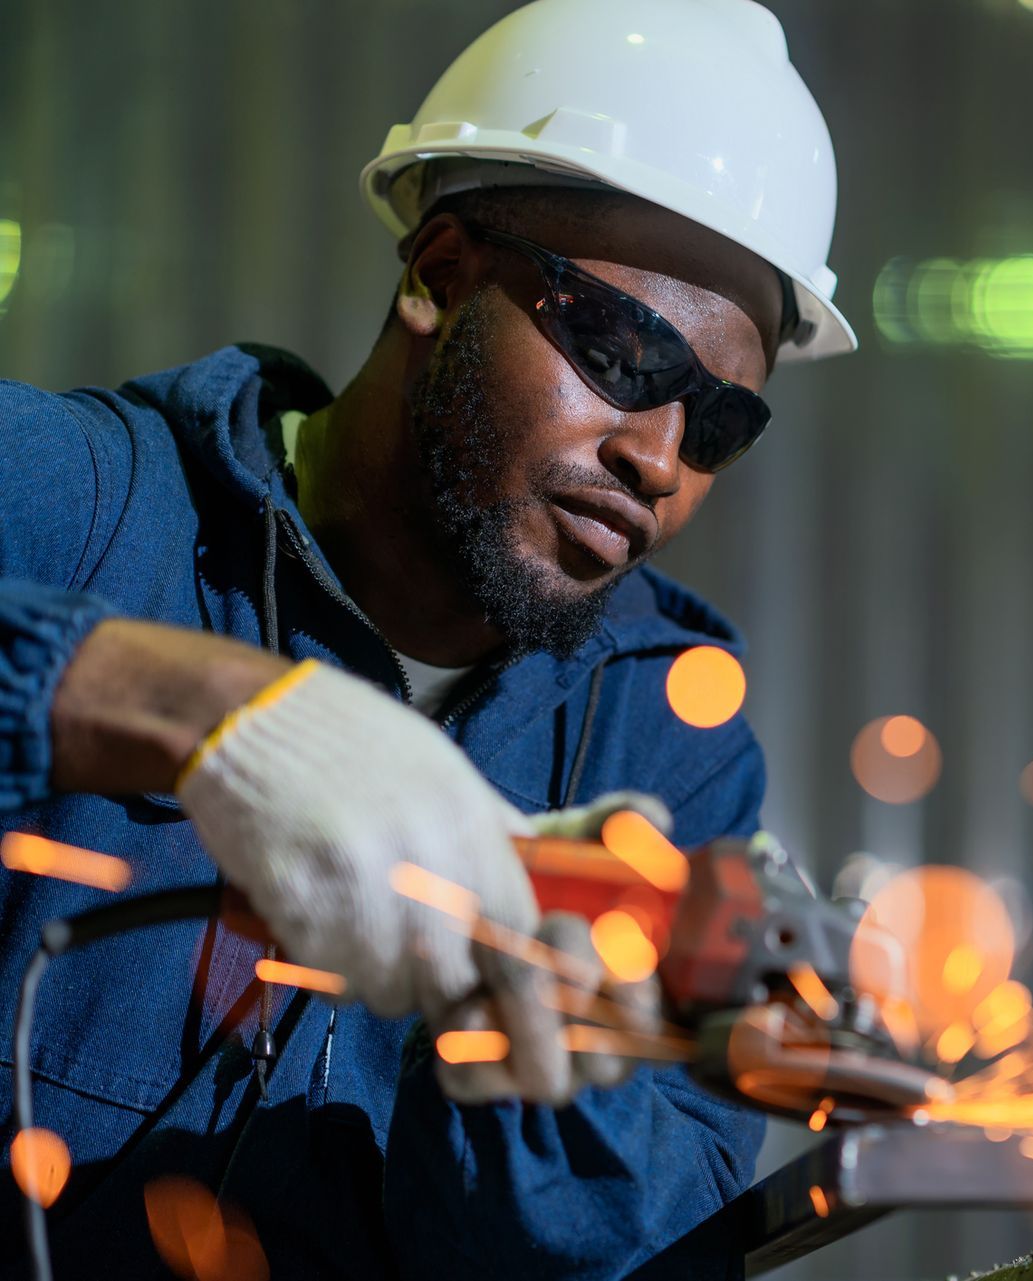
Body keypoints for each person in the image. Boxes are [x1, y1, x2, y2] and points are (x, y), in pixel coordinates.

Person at [0, 0, 856, 1274]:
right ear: (436, 274)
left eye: (719, 422)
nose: (660, 458)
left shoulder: (660, 744)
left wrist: (546, 1076)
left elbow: (664, 1242)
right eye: (623, 353)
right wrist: (182, 706)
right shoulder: (73, 503)